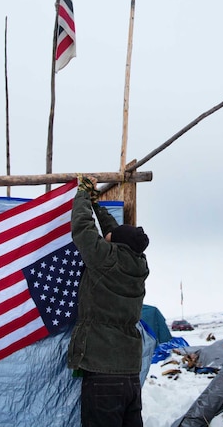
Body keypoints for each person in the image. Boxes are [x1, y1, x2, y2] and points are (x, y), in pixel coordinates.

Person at [68, 175, 151, 427]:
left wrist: (82, 193)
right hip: (129, 376)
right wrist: (96, 203)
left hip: (103, 375)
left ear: (115, 245)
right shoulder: (138, 266)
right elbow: (114, 232)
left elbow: (82, 228)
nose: (106, 237)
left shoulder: (105, 259)